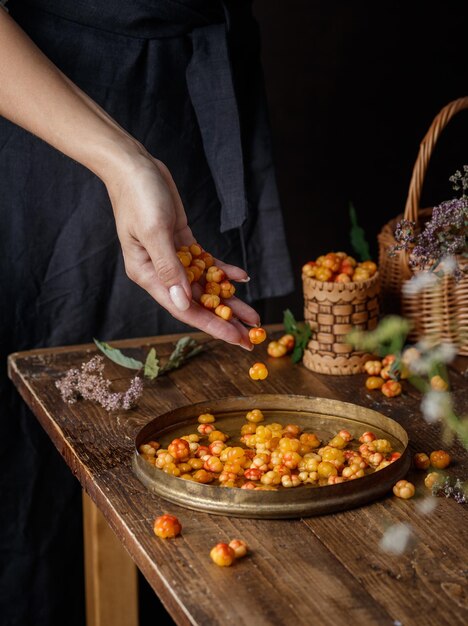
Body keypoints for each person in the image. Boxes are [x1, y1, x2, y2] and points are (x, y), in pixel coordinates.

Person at [0, 1, 293, 624]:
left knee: (208, 438)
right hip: (43, 105)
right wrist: (124, 162)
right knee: (42, 481)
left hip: (198, 100)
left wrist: (141, 167)